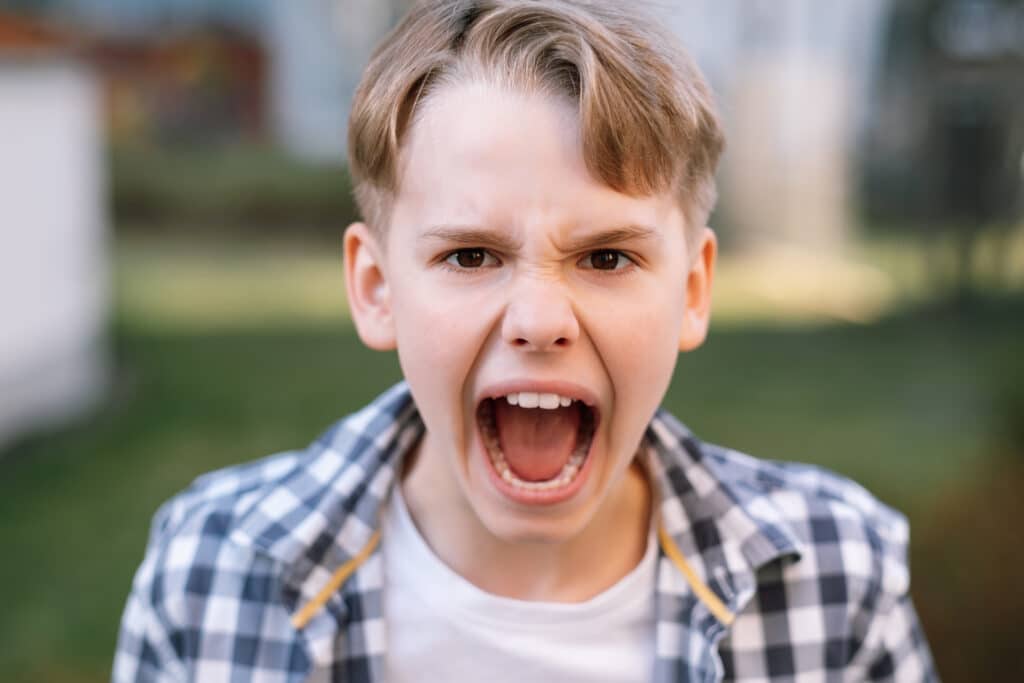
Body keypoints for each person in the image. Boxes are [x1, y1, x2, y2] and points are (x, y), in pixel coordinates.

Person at [113, 1, 938, 680]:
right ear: (376, 289)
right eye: (471, 255)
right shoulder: (211, 575)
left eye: (607, 256)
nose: (539, 319)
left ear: (692, 291)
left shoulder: (835, 580)